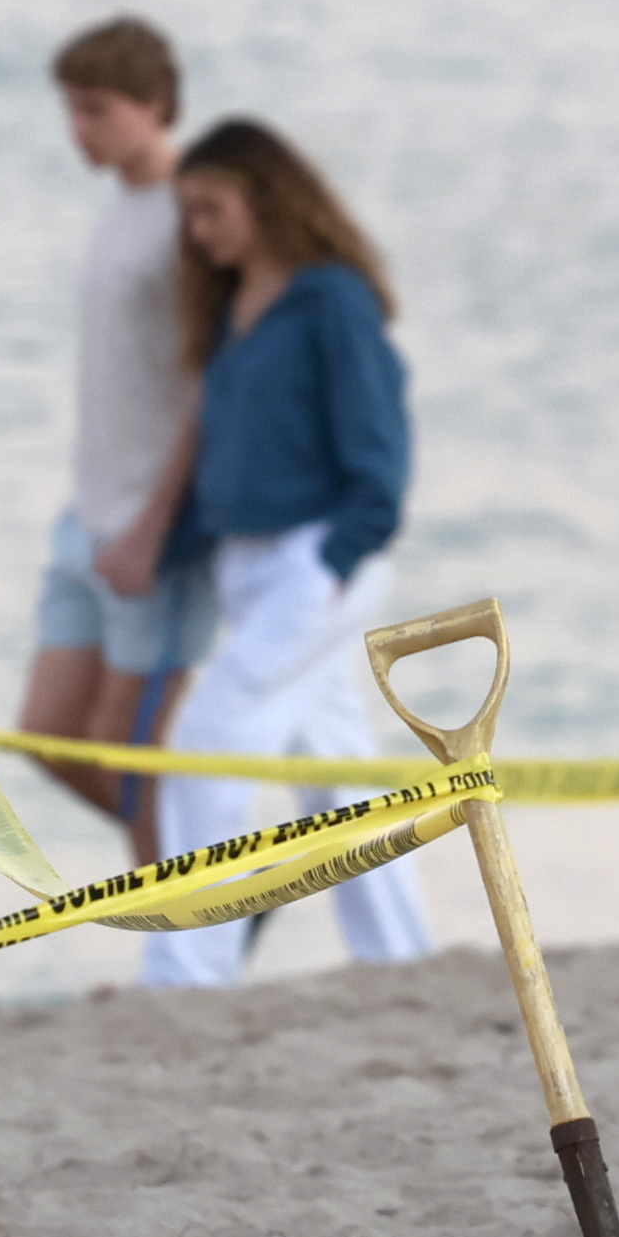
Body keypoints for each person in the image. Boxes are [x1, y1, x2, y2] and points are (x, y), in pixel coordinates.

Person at [131, 118, 436, 991]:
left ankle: (188, 971)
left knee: (207, 742)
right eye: (189, 213)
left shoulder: (331, 298)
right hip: (247, 567)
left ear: (265, 198)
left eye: (213, 208)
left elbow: (379, 446)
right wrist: (164, 547)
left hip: (317, 558)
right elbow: (238, 455)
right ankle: (403, 962)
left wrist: (338, 558)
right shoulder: (234, 313)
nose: (200, 230)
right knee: (333, 774)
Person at [16, 19, 213, 865]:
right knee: (49, 735)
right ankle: (224, 886)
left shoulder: (189, 216)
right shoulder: (117, 206)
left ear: (155, 105)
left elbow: (216, 385)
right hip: (88, 513)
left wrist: (154, 526)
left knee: (129, 754)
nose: (78, 130)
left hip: (154, 528)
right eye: (70, 110)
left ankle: (186, 936)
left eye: (96, 110)